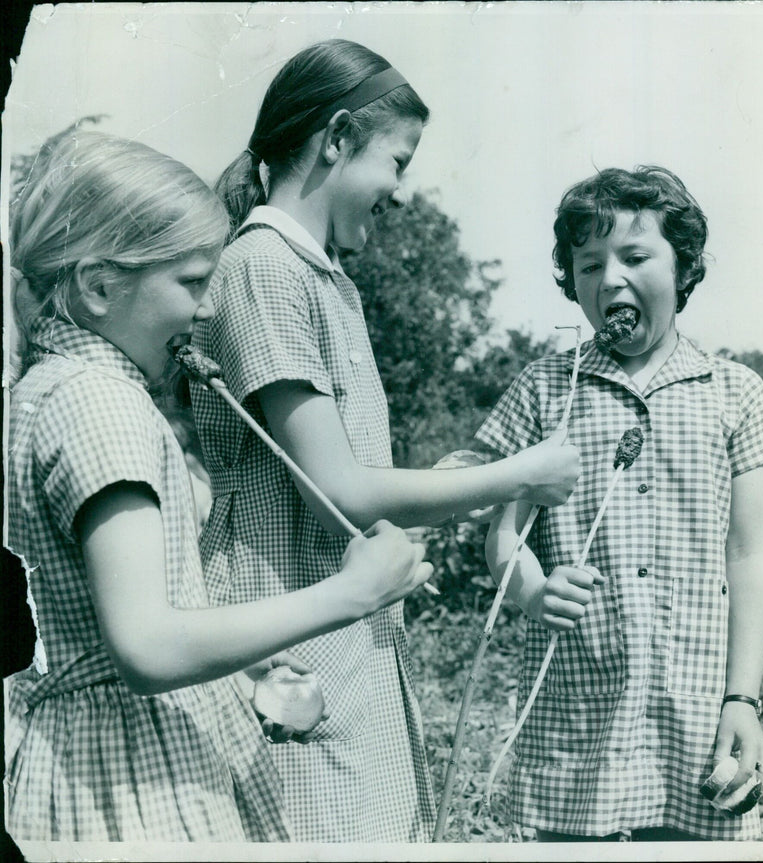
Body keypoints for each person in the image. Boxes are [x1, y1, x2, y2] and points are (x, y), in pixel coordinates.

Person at [191, 38, 581, 842]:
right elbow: (341, 488)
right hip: (288, 629)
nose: (400, 191)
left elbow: (342, 483)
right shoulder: (265, 267)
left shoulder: (326, 279)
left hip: (343, 632)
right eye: (397, 162)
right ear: (336, 139)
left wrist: (455, 484)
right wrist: (516, 472)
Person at [4, 128, 434, 844]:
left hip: (79, 759)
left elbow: (101, 617)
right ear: (100, 285)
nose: (208, 309)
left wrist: (251, 663)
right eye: (192, 281)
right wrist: (351, 593)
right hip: (130, 782)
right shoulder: (98, 401)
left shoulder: (46, 389)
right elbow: (147, 646)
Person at [479, 166, 763, 841]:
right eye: (589, 263)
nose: (610, 277)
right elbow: (503, 536)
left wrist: (742, 697)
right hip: (578, 726)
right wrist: (532, 588)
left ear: (683, 268)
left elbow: (750, 554)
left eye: (635, 256)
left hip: (698, 714)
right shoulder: (544, 389)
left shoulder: (735, 392)